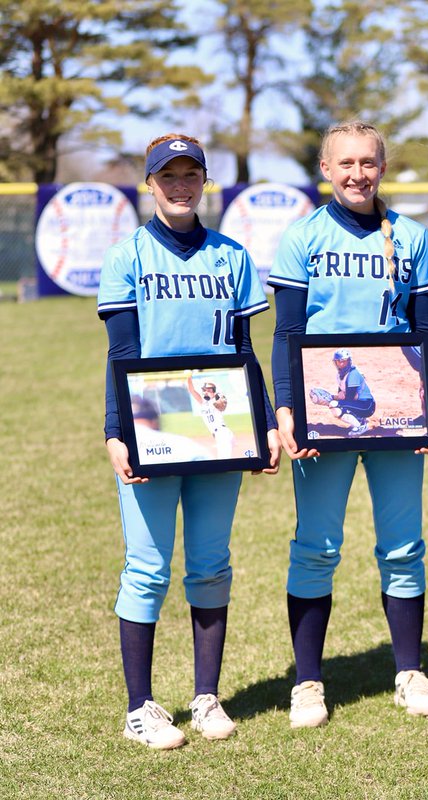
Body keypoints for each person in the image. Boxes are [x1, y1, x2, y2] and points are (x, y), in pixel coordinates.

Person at [98, 133, 279, 749]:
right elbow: (120, 355)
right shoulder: (127, 256)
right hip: (149, 426)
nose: (179, 186)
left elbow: (246, 352)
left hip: (217, 425)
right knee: (147, 568)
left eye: (189, 175)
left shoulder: (232, 256)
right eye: (167, 176)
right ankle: (140, 707)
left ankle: (206, 698)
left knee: (209, 565)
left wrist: (265, 424)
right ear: (149, 184)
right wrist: (114, 432)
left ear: (204, 182)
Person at [269, 121, 428, 725]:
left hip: (397, 411)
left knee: (403, 547)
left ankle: (409, 671)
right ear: (325, 169)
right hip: (324, 419)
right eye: (345, 163)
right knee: (316, 546)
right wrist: (287, 407)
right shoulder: (304, 238)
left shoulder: (415, 237)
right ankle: (309, 681)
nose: (357, 174)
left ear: (383, 167)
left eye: (368, 162)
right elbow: (288, 333)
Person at [324, 348, 376, 436]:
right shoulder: (339, 375)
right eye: (338, 361)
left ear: (349, 361)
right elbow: (342, 394)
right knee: (337, 404)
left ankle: (361, 426)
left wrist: (330, 398)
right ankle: (359, 420)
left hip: (367, 406)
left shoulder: (353, 374)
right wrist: (334, 398)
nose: (341, 364)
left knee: (335, 406)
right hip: (359, 404)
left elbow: (348, 397)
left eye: (344, 361)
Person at [187, 375, 236, 457]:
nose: (205, 392)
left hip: (223, 433)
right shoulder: (202, 403)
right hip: (218, 435)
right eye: (204, 390)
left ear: (213, 392)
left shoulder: (216, 398)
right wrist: (188, 377)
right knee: (223, 461)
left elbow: (222, 404)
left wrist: (217, 399)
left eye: (208, 390)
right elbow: (191, 390)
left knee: (223, 461)